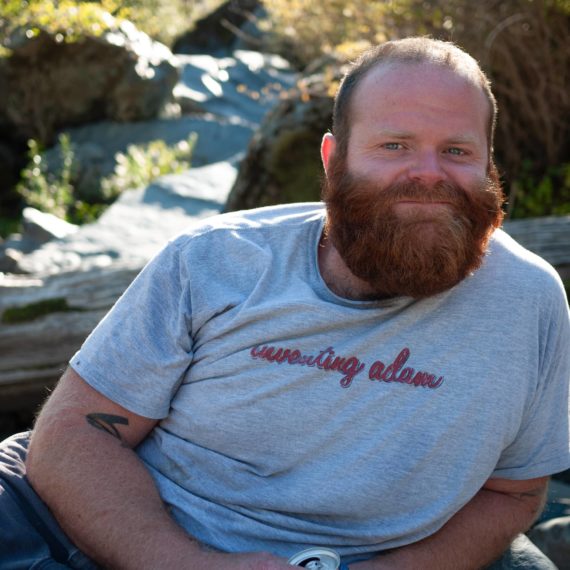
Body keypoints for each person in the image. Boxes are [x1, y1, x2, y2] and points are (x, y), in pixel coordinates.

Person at [1, 37, 568, 570]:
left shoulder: (531, 303)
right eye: (393, 145)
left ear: (489, 164)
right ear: (333, 157)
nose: (427, 173)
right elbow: (75, 435)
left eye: (457, 150)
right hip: (110, 535)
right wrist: (186, 564)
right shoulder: (214, 261)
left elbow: (515, 490)